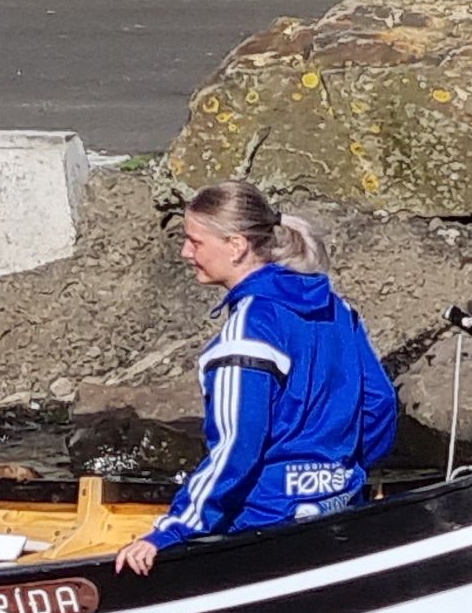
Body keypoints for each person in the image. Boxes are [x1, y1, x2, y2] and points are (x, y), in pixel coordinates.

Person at [116, 180, 397, 577]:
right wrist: (345, 470)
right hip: (339, 503)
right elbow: (379, 402)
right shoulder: (338, 309)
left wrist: (173, 530)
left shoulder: (248, 329)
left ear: (235, 245)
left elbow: (237, 446)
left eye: (194, 242)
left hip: (267, 521)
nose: (185, 253)